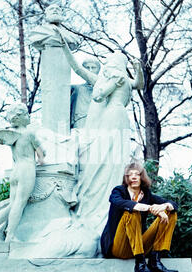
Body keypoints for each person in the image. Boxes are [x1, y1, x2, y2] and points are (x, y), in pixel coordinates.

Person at [56, 27, 145, 238]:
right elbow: (79, 70)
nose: (116, 64)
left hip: (121, 121)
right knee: (102, 160)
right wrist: (66, 48)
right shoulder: (107, 80)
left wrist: (138, 68)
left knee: (117, 163)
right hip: (109, 120)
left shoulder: (124, 80)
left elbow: (139, 84)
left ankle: (112, 199)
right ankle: (94, 202)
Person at [0, 103, 45, 243]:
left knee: (12, 205)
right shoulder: (29, 133)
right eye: (26, 114)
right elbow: (41, 155)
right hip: (27, 170)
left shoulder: (12, 136)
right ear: (21, 117)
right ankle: (10, 236)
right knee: (19, 204)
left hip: (15, 171)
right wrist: (42, 157)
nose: (29, 116)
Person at [100, 162, 179, 272]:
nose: (133, 177)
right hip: (119, 247)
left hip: (140, 245)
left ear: (142, 177)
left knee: (171, 212)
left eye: (137, 174)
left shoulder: (146, 194)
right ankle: (140, 264)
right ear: (126, 178)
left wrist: (164, 207)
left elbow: (173, 204)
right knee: (132, 211)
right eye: (130, 174)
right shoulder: (119, 191)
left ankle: (155, 260)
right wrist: (150, 208)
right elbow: (120, 202)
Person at [70, 58, 101, 129]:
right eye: (87, 68)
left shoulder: (104, 88)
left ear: (98, 70)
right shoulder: (77, 88)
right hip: (80, 123)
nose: (90, 70)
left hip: (98, 122)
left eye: (93, 68)